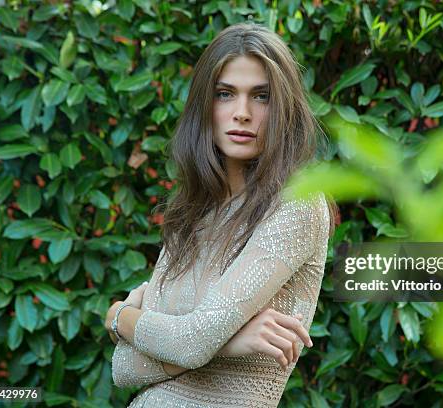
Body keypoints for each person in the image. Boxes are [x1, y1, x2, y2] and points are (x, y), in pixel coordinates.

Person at [104, 22, 337, 407]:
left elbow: (193, 343)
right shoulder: (192, 215)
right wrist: (227, 342)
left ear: (283, 108)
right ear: (204, 106)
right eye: (225, 94)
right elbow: (124, 369)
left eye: (261, 97)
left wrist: (119, 317)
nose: (242, 113)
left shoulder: (298, 204)